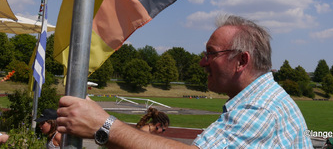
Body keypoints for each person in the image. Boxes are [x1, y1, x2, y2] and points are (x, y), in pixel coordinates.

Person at [57, 14, 313, 148]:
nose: (202, 62)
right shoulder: (264, 98)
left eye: (211, 53)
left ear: (241, 61)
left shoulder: (261, 108)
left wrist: (103, 125)